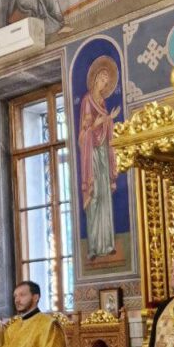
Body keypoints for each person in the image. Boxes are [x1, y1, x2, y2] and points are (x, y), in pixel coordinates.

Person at [77, 55, 121, 258]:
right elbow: (85, 133)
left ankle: (108, 244)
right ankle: (94, 246)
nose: (104, 84)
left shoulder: (102, 102)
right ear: (95, 79)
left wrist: (109, 119)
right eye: (102, 79)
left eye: (106, 81)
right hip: (92, 154)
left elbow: (104, 125)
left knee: (104, 196)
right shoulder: (87, 101)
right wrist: (99, 122)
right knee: (94, 196)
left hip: (103, 152)